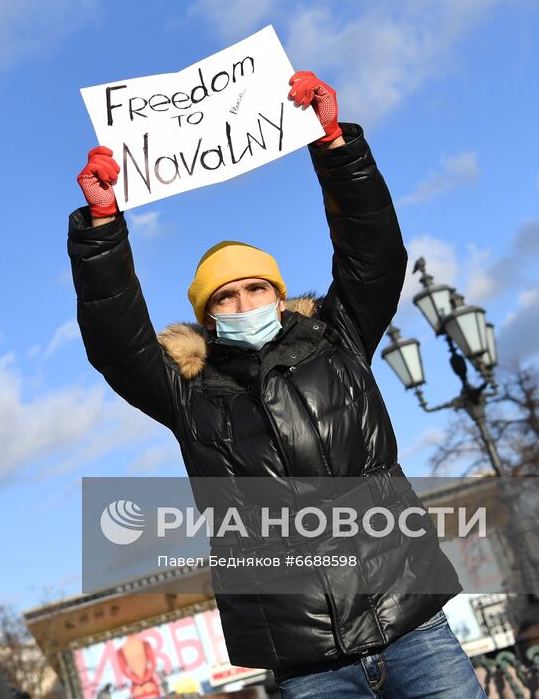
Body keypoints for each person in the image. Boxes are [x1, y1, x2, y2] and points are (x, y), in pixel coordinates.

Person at [68, 71, 483, 698]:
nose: (243, 302)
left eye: (255, 287)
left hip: (413, 627)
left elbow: (374, 257)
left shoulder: (338, 340)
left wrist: (336, 146)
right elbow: (117, 345)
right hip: (308, 663)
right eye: (226, 298)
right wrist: (102, 228)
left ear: (279, 295)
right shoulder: (190, 393)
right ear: (209, 319)